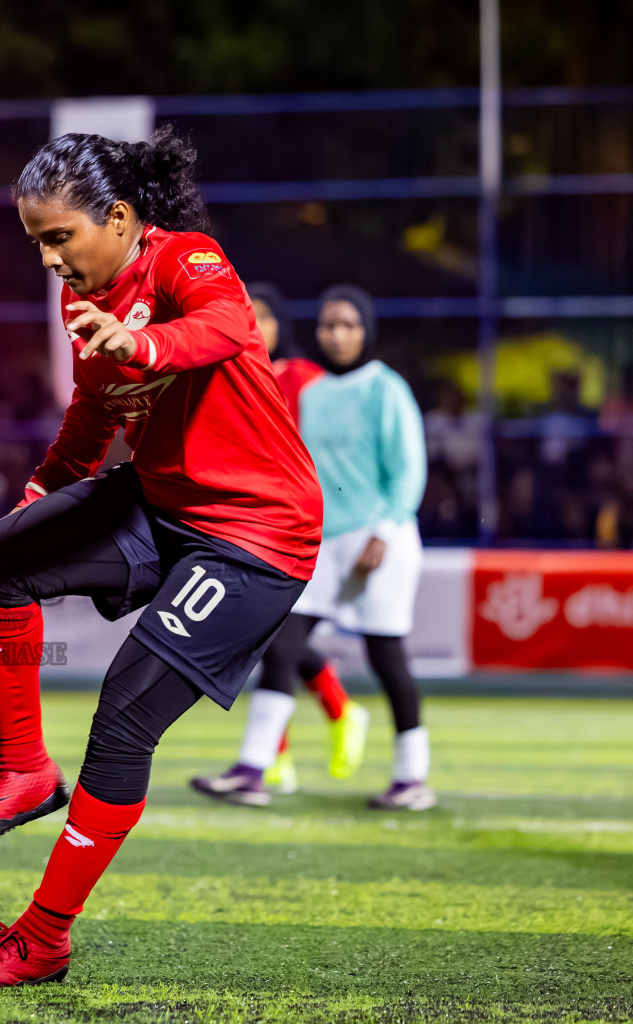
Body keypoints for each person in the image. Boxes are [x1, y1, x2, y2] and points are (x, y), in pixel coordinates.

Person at [0, 125, 322, 986]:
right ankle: (25, 771)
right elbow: (87, 424)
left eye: (57, 237)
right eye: (36, 242)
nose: (47, 259)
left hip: (256, 537)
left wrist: (143, 343)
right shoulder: (88, 310)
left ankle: (43, 937)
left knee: (123, 716)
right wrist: (31, 507)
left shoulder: (185, 258)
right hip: (164, 502)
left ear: (116, 217)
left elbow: (222, 326)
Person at [192, 285, 432, 811]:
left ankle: (413, 776)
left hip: (379, 540)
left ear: (366, 330)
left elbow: (408, 469)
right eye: (328, 325)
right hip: (320, 540)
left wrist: (384, 532)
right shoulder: (316, 391)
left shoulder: (385, 389)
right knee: (280, 647)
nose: (338, 334)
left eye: (348, 324)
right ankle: (254, 769)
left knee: (386, 657)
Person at [242, 283, 369, 795]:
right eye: (245, 314)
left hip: (297, 523)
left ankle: (281, 754)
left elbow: (340, 450)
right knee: (265, 636)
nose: (253, 324)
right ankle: (331, 717)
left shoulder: (304, 378)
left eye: (264, 316)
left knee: (271, 636)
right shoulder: (230, 375)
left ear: (280, 325)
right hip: (247, 520)